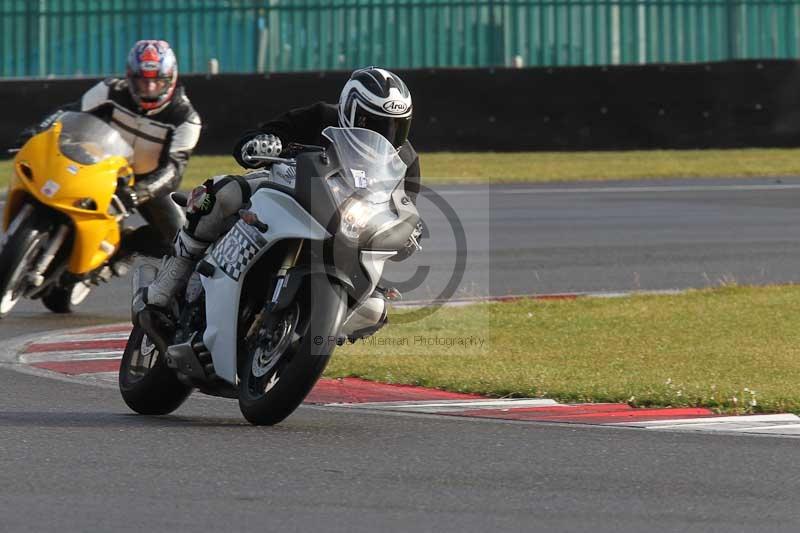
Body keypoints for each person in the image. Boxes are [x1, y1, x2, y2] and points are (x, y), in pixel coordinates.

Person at [136, 66, 421, 325]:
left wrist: (407, 232)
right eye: (375, 123)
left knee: (375, 309)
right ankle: (173, 274)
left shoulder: (405, 160)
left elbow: (400, 208)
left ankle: (307, 334)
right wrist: (262, 143)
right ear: (350, 109)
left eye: (396, 126)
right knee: (224, 194)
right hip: (289, 189)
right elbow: (260, 137)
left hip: (348, 229)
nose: (386, 134)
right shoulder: (321, 117)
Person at [19, 40, 202, 260]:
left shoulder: (186, 118)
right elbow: (70, 111)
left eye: (157, 82)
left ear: (171, 78)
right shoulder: (110, 89)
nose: (150, 89)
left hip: (144, 183)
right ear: (129, 76)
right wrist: (38, 130)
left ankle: (125, 244)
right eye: (142, 82)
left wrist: (138, 193)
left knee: (181, 241)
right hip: (97, 165)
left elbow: (173, 170)